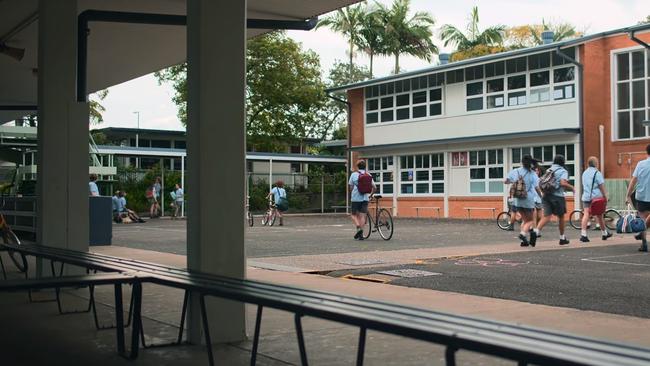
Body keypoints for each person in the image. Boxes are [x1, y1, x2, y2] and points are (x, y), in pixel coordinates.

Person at [534, 155, 574, 245]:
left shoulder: (549, 170)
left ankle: (536, 231)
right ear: (563, 162)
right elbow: (563, 183)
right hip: (557, 197)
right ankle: (562, 238)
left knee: (546, 216)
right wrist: (572, 188)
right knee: (561, 217)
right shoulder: (563, 171)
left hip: (546, 195)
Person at [505, 155, 542, 247]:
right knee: (530, 220)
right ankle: (523, 234)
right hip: (528, 199)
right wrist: (541, 196)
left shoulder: (515, 171)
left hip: (517, 199)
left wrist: (515, 182)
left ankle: (524, 241)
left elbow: (505, 181)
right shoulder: (532, 173)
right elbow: (537, 187)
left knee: (524, 220)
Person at [580, 157, 611, 242]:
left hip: (586, 197)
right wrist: (605, 196)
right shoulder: (597, 173)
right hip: (596, 198)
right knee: (600, 215)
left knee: (586, 214)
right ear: (596, 163)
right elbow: (601, 186)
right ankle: (604, 233)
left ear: (588, 164)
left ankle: (583, 234)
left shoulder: (584, 173)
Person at [626, 144, 650, 252]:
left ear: (647, 152)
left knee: (642, 219)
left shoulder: (641, 164)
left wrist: (628, 194)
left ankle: (644, 243)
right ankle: (642, 233)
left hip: (642, 196)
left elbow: (633, 180)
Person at [348, 159, 375, 240]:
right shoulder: (368, 175)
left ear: (357, 166)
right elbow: (375, 187)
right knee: (362, 216)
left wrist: (351, 193)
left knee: (353, 215)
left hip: (356, 198)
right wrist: (370, 195)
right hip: (365, 198)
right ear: (365, 166)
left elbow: (350, 187)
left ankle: (358, 227)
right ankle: (361, 235)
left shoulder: (354, 175)